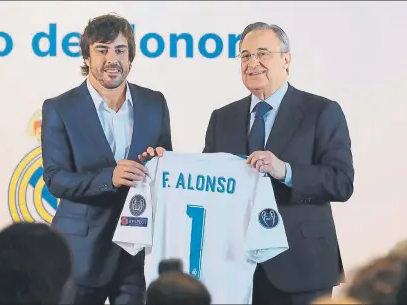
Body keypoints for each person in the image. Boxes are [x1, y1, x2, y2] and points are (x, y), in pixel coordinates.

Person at [147, 21, 354, 305]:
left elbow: (341, 182)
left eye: (262, 53)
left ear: (286, 59)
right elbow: (208, 185)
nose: (252, 63)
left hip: (301, 265)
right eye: (245, 56)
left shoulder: (322, 111)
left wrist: (286, 171)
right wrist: (163, 166)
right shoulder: (223, 117)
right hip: (233, 267)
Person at [40, 13, 173, 305]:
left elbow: (166, 168)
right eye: (102, 49)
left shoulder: (154, 103)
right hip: (79, 254)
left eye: (120, 50)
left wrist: (161, 163)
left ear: (130, 57)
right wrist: (108, 179)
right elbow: (55, 179)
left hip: (137, 256)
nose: (112, 59)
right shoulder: (59, 108)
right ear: (87, 56)